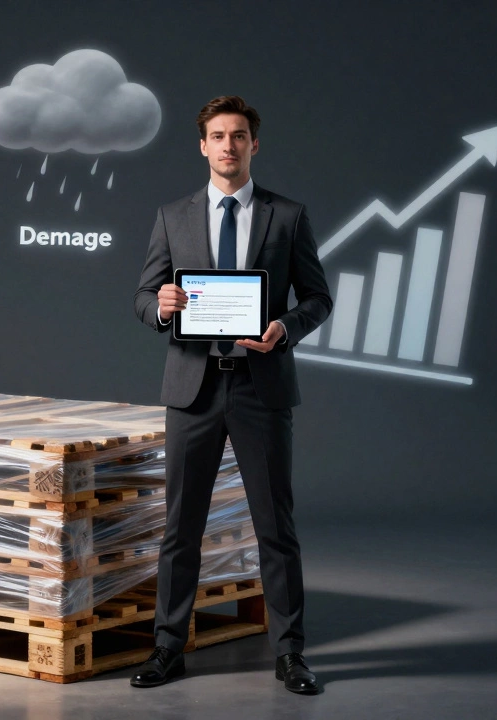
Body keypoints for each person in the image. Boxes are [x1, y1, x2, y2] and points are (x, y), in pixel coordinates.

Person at [131, 96, 332, 694]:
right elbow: (143, 297)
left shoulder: (287, 216)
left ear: (253, 144)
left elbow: (318, 298)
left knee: (276, 526)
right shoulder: (173, 216)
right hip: (192, 388)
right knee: (179, 527)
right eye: (217, 135)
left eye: (238, 135)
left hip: (259, 387)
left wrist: (284, 329)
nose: (227, 145)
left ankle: (291, 653)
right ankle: (168, 647)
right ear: (202, 145)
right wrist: (160, 307)